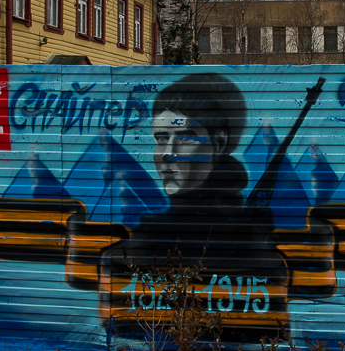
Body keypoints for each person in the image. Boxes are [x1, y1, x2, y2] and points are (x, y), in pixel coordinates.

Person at [118, 72, 287, 281]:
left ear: (220, 143)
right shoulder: (154, 232)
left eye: (185, 137)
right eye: (161, 138)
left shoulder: (240, 234)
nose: (167, 154)